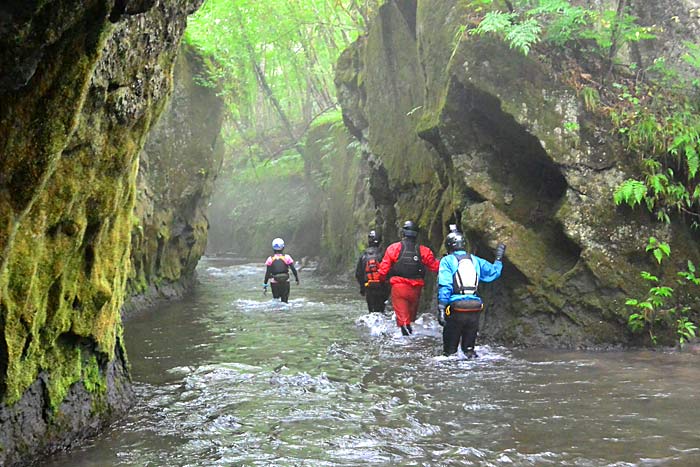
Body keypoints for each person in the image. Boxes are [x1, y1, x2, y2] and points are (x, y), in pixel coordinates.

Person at [437, 231, 505, 358]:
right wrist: (499, 258)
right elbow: (494, 273)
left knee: (449, 354)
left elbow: (445, 285)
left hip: (454, 308)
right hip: (475, 308)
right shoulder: (475, 260)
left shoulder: (447, 261)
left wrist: (441, 307)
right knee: (469, 351)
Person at [378, 220, 440, 335]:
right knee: (411, 320)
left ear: (403, 233)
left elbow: (383, 271)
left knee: (403, 322)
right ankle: (413, 344)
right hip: (416, 290)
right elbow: (435, 267)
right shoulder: (424, 251)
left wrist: (383, 282)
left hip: (399, 288)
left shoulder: (393, 248)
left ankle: (406, 346)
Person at [355, 230, 389, 313]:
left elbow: (358, 274)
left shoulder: (363, 256)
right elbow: (388, 271)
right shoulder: (383, 254)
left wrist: (362, 288)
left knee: (372, 312)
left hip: (369, 287)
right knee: (381, 311)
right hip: (381, 288)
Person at [263, 237, 299, 303]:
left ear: (273, 248)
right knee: (285, 301)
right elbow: (293, 269)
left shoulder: (270, 259)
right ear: (283, 247)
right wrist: (296, 279)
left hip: (274, 282)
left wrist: (265, 284)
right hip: (285, 281)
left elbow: (267, 273)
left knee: (276, 300)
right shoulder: (287, 257)